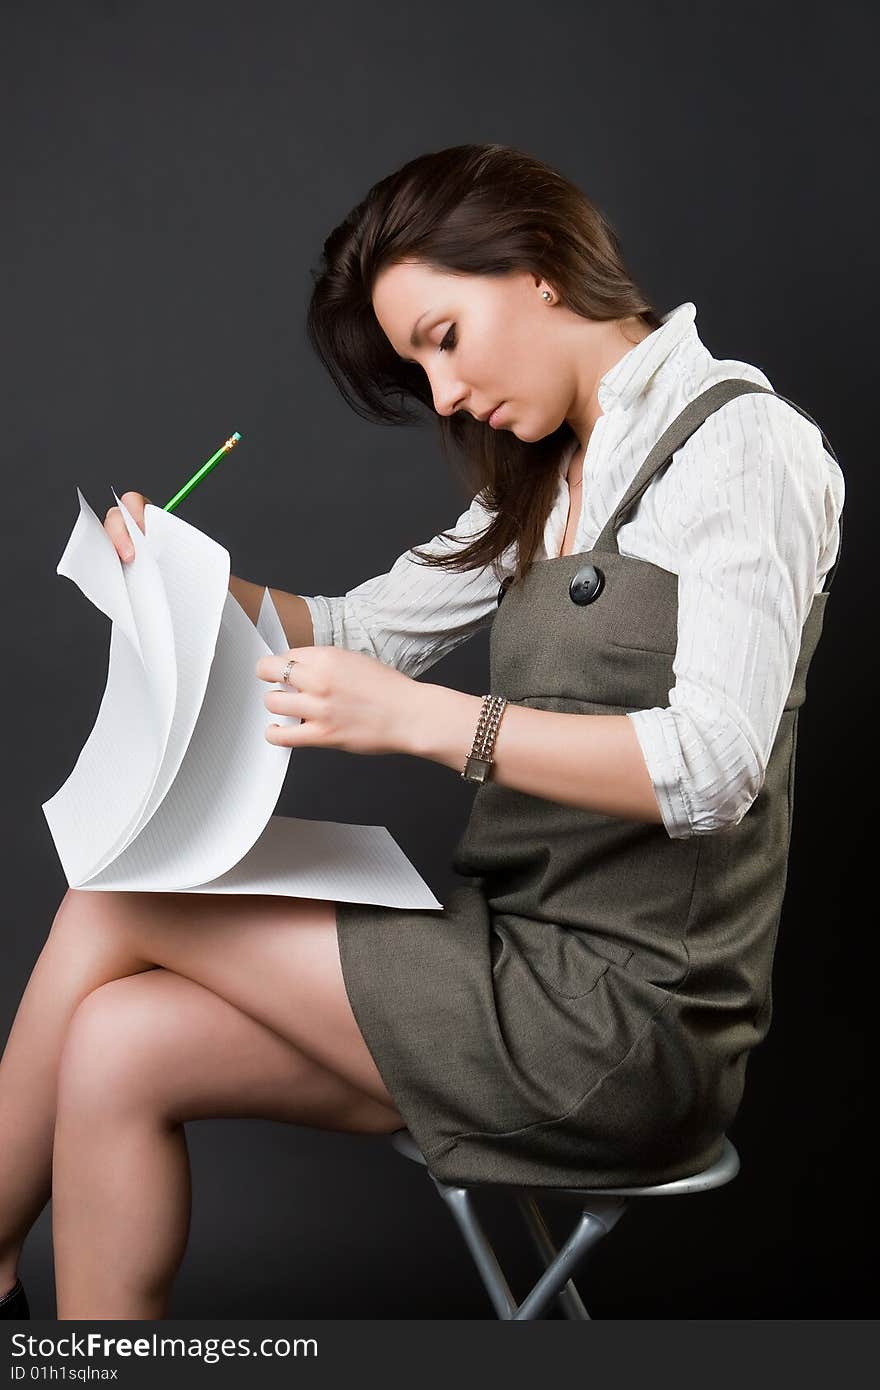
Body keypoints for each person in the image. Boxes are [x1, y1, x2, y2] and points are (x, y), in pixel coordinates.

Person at [0, 143, 844, 1322]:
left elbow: (713, 770)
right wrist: (177, 578)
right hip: (508, 963)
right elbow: (355, 631)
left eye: (442, 338)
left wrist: (429, 725)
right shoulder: (543, 478)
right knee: (116, 1045)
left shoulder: (744, 450)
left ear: (538, 265)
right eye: (420, 366)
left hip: (623, 1028)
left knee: (114, 902)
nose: (442, 397)